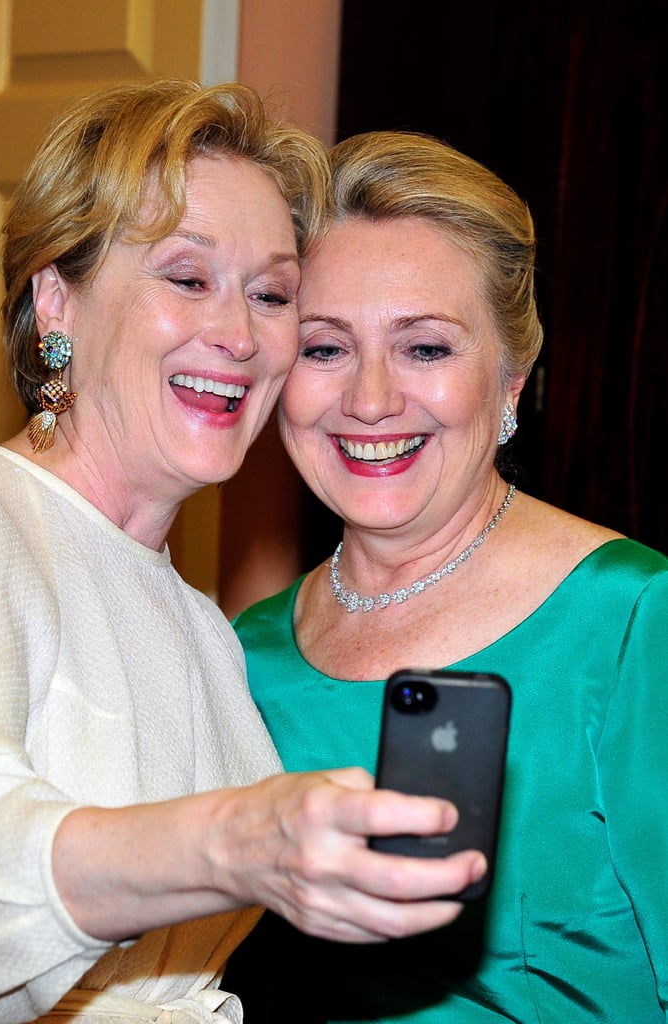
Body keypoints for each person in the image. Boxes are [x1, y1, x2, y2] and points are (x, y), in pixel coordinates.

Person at [0, 86, 489, 1024]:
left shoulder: (204, 628)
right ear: (56, 300)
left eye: (271, 294)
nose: (237, 336)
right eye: (187, 278)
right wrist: (235, 843)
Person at [224, 130, 668, 1021]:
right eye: (324, 348)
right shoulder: (240, 655)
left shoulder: (632, 622)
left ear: (510, 380)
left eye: (425, 348)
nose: (372, 399)